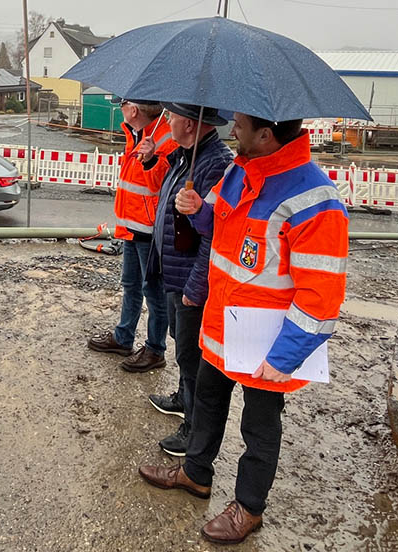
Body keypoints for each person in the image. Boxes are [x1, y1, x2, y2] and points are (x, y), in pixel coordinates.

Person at [138, 114, 348, 546]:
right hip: (222, 326)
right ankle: (196, 474)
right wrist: (196, 211)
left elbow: (322, 296)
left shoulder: (315, 199)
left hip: (267, 344)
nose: (233, 132)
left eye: (240, 125)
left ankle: (249, 508)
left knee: (259, 427)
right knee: (208, 402)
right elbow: (216, 229)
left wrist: (284, 357)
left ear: (266, 135)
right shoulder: (239, 171)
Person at [143, 104, 232, 457]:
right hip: (174, 274)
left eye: (172, 117)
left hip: (191, 282)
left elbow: (214, 237)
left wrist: (196, 289)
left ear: (191, 125)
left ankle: (193, 431)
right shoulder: (186, 157)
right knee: (182, 349)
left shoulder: (215, 164)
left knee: (193, 359)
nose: (167, 122)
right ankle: (183, 399)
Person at [85, 97, 178, 372]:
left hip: (149, 230)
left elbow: (161, 184)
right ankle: (124, 337)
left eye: (122, 104)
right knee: (131, 285)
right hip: (132, 225)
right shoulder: (137, 134)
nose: (119, 108)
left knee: (154, 292)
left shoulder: (163, 139)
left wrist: (151, 160)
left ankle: (155, 349)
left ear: (134, 110)